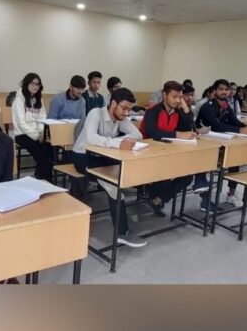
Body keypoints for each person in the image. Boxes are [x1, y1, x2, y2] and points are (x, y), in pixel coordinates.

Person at [72, 88, 146, 247]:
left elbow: (138, 135)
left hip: (102, 156)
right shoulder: (95, 113)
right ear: (113, 103)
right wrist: (118, 143)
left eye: (129, 109)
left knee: (120, 178)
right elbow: (91, 139)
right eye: (124, 108)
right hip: (82, 156)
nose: (126, 113)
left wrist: (121, 141)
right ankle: (122, 232)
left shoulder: (121, 118)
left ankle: (122, 229)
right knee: (113, 186)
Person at [197, 79, 247, 207]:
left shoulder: (226, 105)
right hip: (205, 145)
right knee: (222, 161)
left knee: (234, 157)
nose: (224, 92)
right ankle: (206, 200)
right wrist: (241, 130)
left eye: (226, 89)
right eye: (221, 89)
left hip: (221, 142)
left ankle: (231, 194)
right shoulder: (208, 106)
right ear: (214, 91)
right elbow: (217, 126)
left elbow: (235, 121)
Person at [140, 81, 196, 216]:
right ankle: (149, 192)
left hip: (168, 153)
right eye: (174, 97)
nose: (177, 100)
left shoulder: (177, 111)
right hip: (149, 153)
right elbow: (152, 132)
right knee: (165, 176)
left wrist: (185, 107)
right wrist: (178, 135)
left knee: (187, 177)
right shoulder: (153, 111)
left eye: (180, 97)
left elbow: (191, 127)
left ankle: (157, 199)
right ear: (165, 95)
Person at [12, 72, 53, 181]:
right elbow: (21, 123)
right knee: (42, 155)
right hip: (22, 134)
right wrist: (36, 136)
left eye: (37, 84)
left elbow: (42, 118)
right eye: (32, 83)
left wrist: (41, 132)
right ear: (26, 84)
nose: (35, 86)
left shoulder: (39, 98)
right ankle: (45, 181)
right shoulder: (19, 99)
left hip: (37, 134)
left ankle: (41, 177)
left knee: (50, 150)